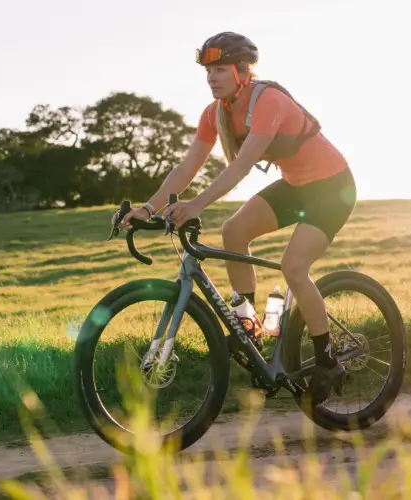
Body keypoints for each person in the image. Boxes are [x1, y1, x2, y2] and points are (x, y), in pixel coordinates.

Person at [119, 31, 357, 405]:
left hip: (332, 188)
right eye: (208, 71)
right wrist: (149, 207)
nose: (211, 77)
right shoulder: (214, 114)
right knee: (234, 231)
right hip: (295, 186)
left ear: (243, 71)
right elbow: (187, 166)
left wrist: (196, 205)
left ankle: (327, 359)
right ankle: (248, 325)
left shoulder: (268, 101)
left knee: (293, 267)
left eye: (219, 69)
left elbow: (244, 165)